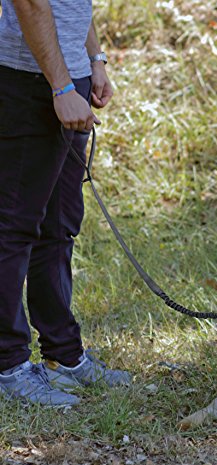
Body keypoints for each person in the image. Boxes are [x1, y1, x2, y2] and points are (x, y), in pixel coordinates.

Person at [0, 0, 130, 407]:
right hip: (28, 79)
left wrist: (95, 59)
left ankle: (63, 355)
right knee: (14, 227)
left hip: (68, 77)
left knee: (59, 226)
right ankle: (8, 367)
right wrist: (59, 87)